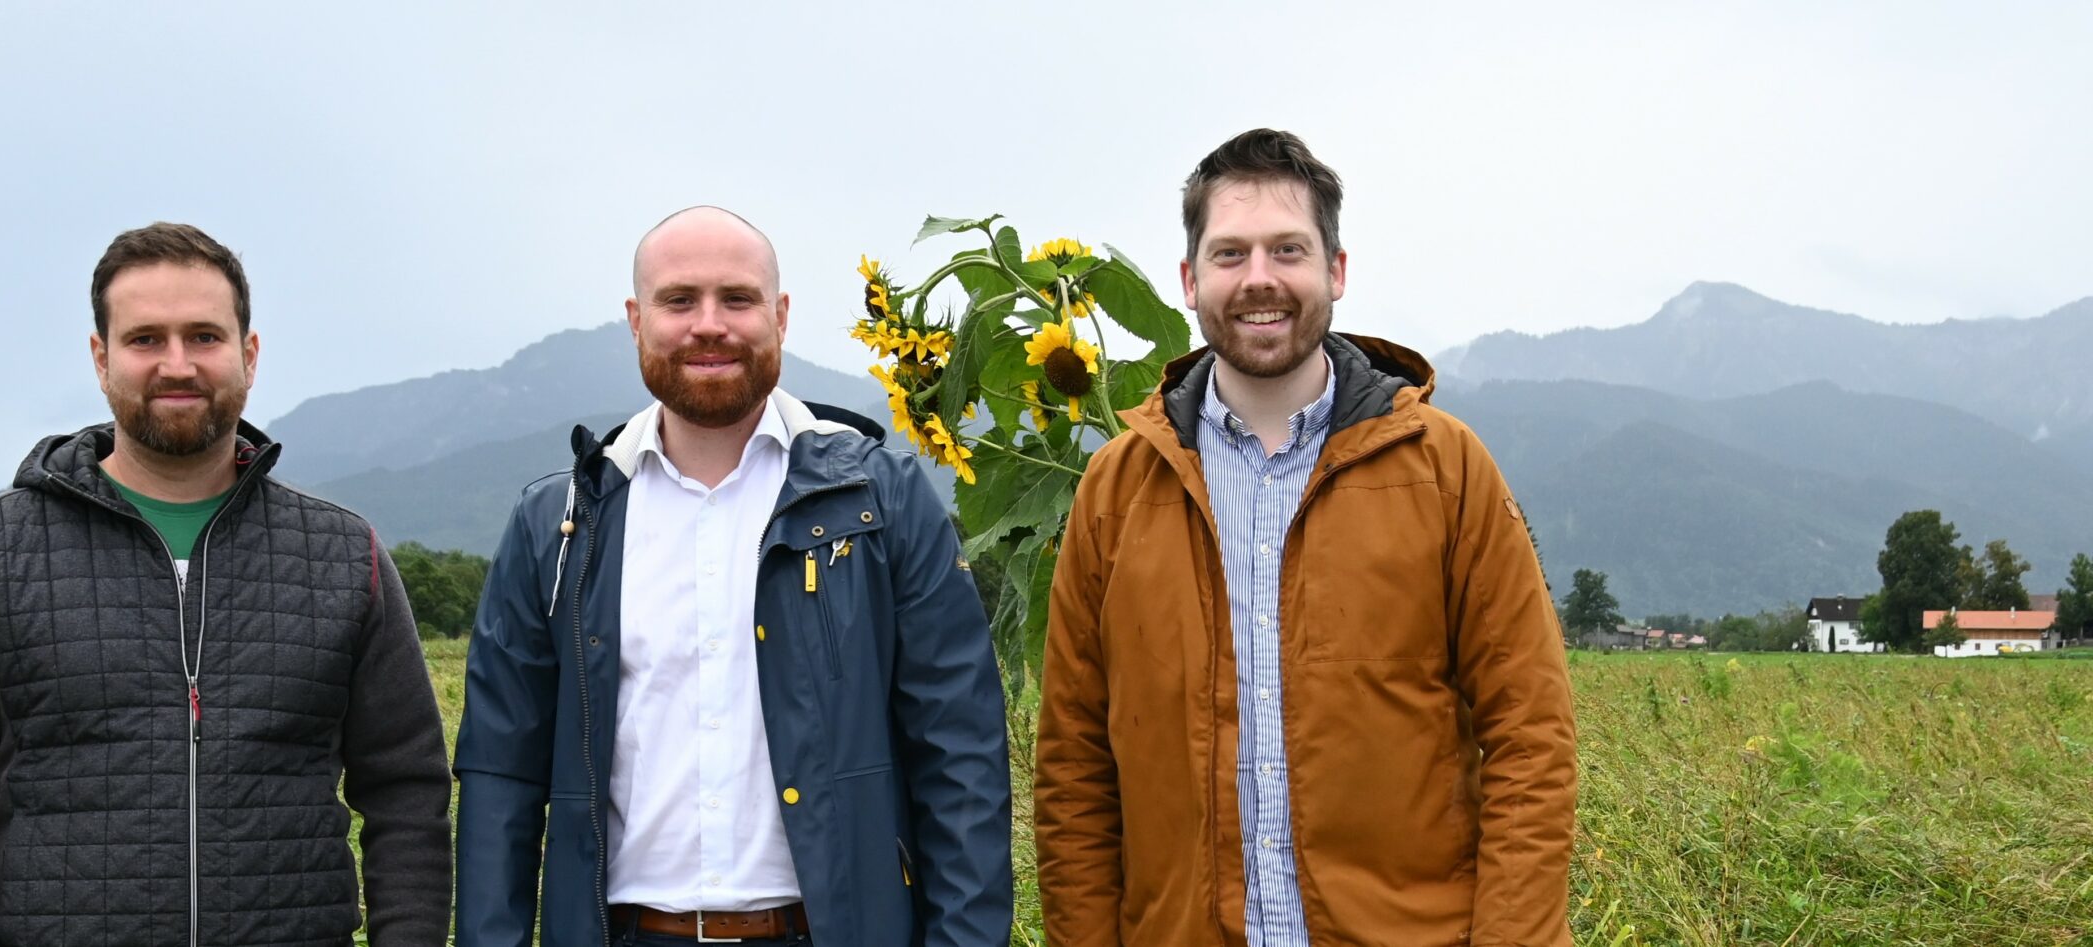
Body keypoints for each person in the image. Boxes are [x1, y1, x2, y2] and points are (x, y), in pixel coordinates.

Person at [1034, 130, 1578, 945]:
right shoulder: (1115, 493)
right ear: (1190, 280)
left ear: (1336, 270)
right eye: (1230, 253)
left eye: (1288, 249)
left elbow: (1530, 736)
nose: (1260, 277)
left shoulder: (1445, 470)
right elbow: (1074, 772)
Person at [0, 222, 453, 946]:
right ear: (101, 358)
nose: (177, 364)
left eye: (204, 336)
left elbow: (406, 793)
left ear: (248, 354)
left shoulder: (343, 554)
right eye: (145, 338)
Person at [453, 207, 1012, 946]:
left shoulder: (883, 503)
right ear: (636, 320)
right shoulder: (558, 526)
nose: (709, 325)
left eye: (738, 299)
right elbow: (502, 776)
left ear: (780, 316)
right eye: (679, 300)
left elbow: (960, 754)